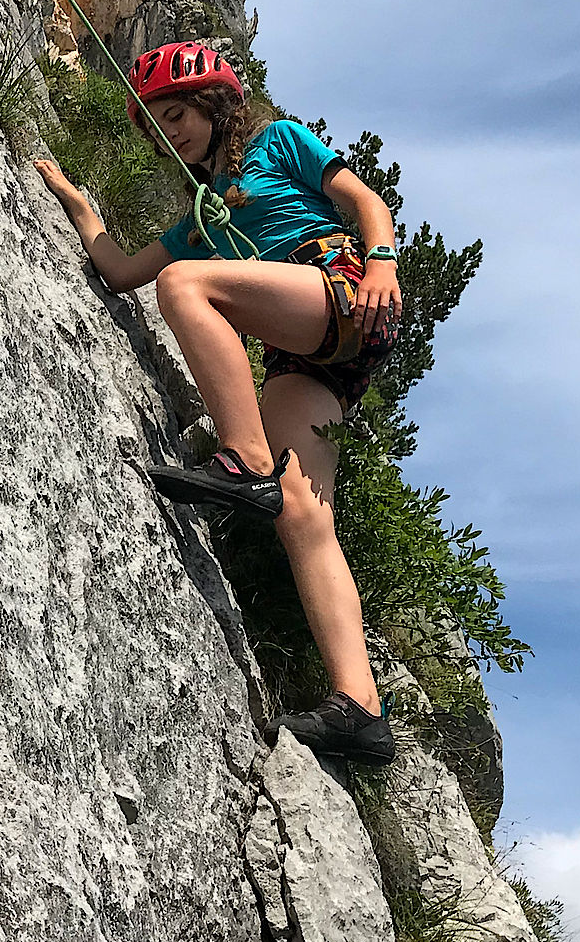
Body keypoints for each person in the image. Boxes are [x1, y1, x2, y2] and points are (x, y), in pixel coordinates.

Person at [34, 41, 402, 764]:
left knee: (188, 286)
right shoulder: (199, 221)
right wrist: (79, 206)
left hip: (339, 283)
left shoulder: (277, 142)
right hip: (308, 353)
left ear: (217, 106)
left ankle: (245, 460)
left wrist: (384, 257)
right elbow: (120, 271)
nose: (171, 131)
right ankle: (360, 707)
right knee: (302, 511)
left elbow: (362, 199)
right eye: (157, 123)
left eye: (179, 114)